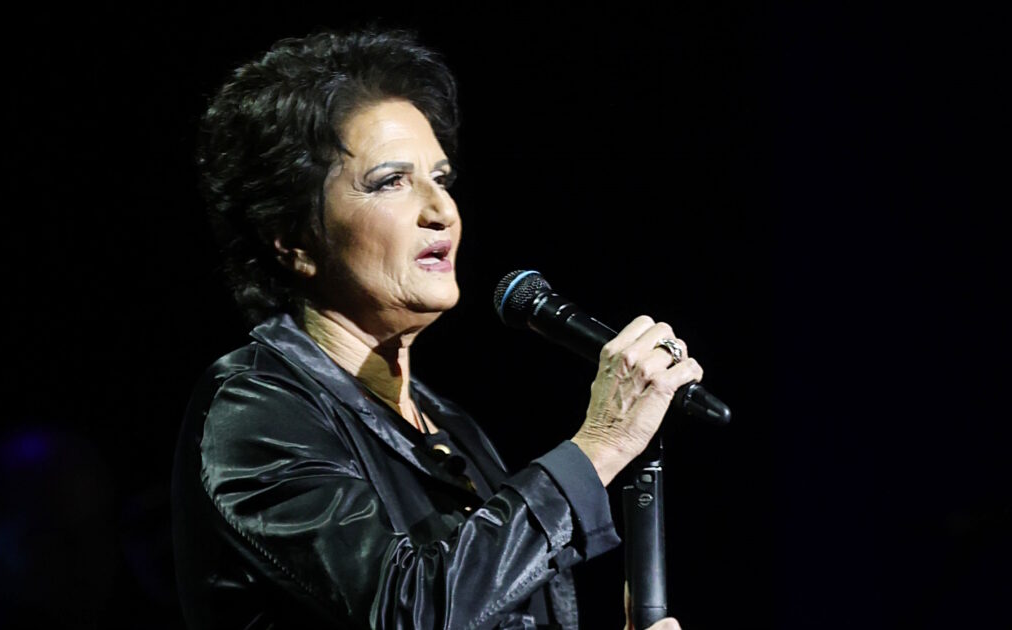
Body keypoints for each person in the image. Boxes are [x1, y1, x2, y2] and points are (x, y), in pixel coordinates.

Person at [171, 27, 702, 630]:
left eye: (442, 179)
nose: (441, 210)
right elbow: (407, 610)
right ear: (294, 240)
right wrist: (601, 444)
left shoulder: (451, 428)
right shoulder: (255, 410)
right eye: (390, 182)